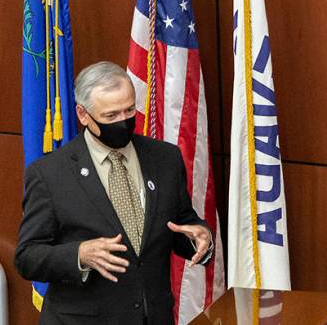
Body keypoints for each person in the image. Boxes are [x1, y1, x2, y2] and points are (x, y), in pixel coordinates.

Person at [15, 61, 213, 324]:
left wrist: (201, 237)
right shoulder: (51, 173)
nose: (123, 122)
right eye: (111, 116)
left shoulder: (165, 158)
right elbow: (27, 256)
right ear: (83, 115)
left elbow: (180, 224)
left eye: (129, 110)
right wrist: (79, 254)